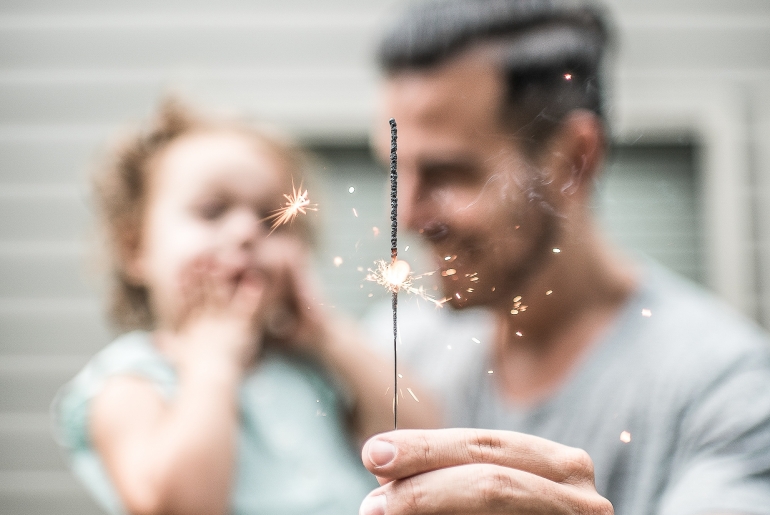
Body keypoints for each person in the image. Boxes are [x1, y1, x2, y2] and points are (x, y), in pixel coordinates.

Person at [359, 1, 770, 514]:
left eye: (448, 173)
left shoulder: (726, 391)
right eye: (396, 173)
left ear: (574, 160)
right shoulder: (402, 347)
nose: (407, 214)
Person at [51, 100, 439, 515]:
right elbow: (179, 508)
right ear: (136, 248)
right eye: (212, 211)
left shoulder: (312, 369)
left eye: (273, 220)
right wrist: (213, 361)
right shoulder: (131, 381)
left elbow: (430, 444)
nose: (245, 233)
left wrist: (327, 333)